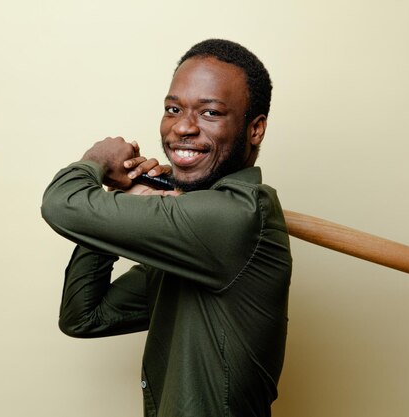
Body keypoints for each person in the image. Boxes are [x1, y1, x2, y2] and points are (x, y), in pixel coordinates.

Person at [41, 39, 292, 417]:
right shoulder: (190, 244)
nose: (183, 127)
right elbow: (84, 317)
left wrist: (96, 162)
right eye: (173, 109)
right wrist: (125, 199)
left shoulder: (238, 216)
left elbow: (61, 203)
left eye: (210, 113)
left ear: (254, 129)